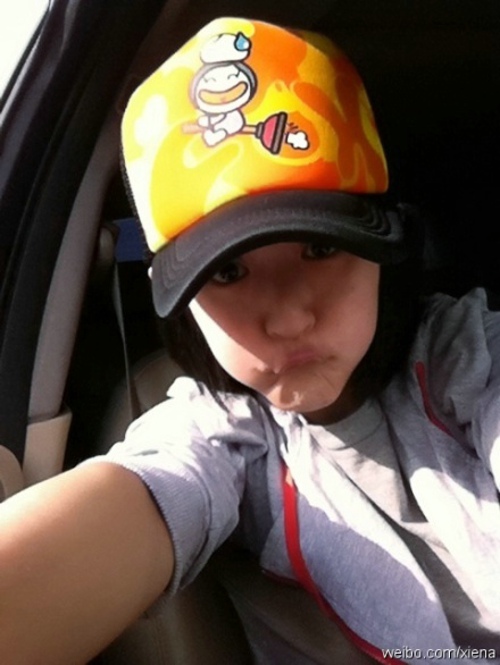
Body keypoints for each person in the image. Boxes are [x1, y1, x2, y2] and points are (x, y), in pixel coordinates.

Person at [0, 16, 499, 665]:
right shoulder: (219, 431)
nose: (288, 319)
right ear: (183, 304)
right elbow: (137, 494)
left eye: (320, 246)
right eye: (229, 272)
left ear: (384, 246)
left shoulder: (466, 352)